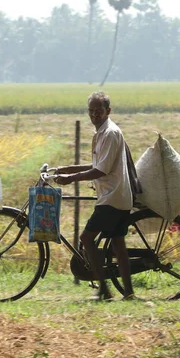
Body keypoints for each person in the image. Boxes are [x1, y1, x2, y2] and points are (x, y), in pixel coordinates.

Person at [54, 91, 135, 301]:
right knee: (118, 245)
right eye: (91, 111)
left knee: (86, 239)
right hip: (117, 195)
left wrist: (71, 178)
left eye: (98, 111)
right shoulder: (101, 132)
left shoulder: (110, 133)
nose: (94, 115)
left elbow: (101, 171)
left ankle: (104, 290)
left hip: (112, 197)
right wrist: (68, 169)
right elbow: (99, 165)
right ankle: (128, 292)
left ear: (108, 111)